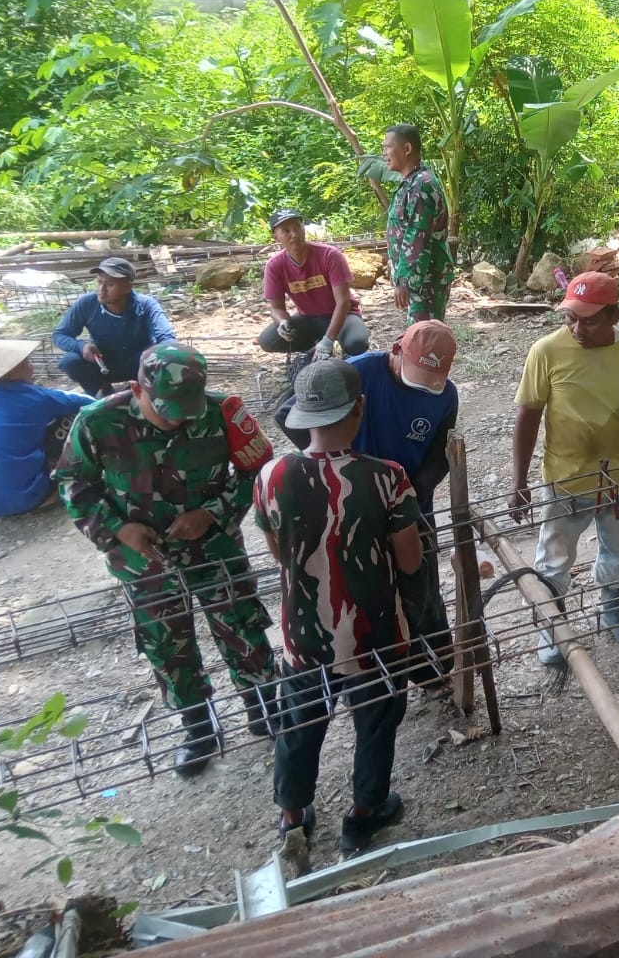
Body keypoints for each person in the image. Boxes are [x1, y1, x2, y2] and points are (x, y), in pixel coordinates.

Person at [55, 344, 277, 775]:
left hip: (213, 548)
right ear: (137, 388)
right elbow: (72, 482)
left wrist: (212, 512)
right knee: (166, 644)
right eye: (166, 411)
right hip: (144, 560)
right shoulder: (97, 421)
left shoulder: (223, 413)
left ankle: (263, 707)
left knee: (242, 624)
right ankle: (198, 728)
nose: (177, 420)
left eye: (185, 411)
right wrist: (118, 529)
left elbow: (259, 472)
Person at [255, 360, 420, 856]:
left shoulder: (272, 475)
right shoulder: (388, 477)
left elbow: (278, 552)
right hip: (375, 633)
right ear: (359, 408)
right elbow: (409, 561)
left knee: (300, 723)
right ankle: (364, 814)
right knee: (376, 721)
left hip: (303, 634)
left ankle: (293, 816)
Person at [275, 321, 459, 681]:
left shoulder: (445, 395)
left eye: (433, 379)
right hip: (352, 505)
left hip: (411, 506)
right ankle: (374, 675)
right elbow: (288, 414)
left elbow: (440, 453)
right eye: (418, 374)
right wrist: (337, 465)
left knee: (421, 589)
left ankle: (431, 671)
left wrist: (410, 491)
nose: (426, 385)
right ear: (397, 350)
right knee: (364, 592)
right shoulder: (357, 372)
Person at [509, 271, 619, 665]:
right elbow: (528, 415)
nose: (577, 329)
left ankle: (613, 613)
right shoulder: (546, 351)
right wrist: (519, 481)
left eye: (589, 321)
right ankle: (553, 629)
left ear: (614, 315)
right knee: (554, 558)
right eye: (570, 318)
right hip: (567, 477)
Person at [0, 340, 91, 517]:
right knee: (72, 417)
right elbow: (87, 402)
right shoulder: (35, 397)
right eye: (27, 363)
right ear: (10, 373)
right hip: (22, 499)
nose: (32, 367)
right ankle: (53, 490)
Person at [256, 208, 370, 359]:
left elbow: (343, 302)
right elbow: (276, 308)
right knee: (268, 340)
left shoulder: (329, 255)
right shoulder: (275, 265)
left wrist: (328, 340)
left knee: (357, 343)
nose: (294, 234)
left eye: (297, 227)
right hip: (308, 318)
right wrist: (282, 322)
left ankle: (333, 344)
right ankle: (313, 346)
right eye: (286, 231)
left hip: (344, 315)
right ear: (276, 237)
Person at [53, 257, 177, 395]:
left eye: (110, 285)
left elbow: (167, 338)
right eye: (99, 282)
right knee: (69, 361)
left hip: (140, 363)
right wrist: (81, 346)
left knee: (163, 356)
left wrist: (156, 355)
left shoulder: (147, 305)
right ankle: (101, 391)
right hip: (104, 364)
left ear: (127, 287)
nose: (101, 289)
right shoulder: (87, 303)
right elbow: (60, 335)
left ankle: (146, 390)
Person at [383, 123, 453, 323]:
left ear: (407, 148)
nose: (384, 153)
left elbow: (417, 239)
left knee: (424, 337)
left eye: (388, 147)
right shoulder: (412, 182)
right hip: (420, 281)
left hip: (426, 280)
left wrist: (405, 281)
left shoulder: (421, 185)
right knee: (420, 335)